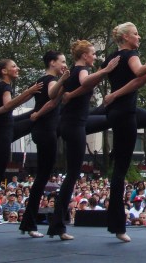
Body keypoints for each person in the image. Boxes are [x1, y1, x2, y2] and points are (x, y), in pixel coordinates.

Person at [100, 22, 146, 243]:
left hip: (117, 111)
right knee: (121, 169)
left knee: (119, 169)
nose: (139, 37)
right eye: (135, 34)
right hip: (125, 113)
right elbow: (139, 72)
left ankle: (116, 224)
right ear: (125, 38)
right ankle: (117, 225)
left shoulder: (112, 58)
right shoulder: (130, 55)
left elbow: (138, 80)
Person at [46, 40, 120, 240]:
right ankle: (58, 226)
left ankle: (57, 225)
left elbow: (56, 95)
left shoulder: (71, 72)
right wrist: (106, 70)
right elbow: (86, 81)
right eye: (93, 54)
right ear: (85, 56)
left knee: (71, 174)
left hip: (69, 123)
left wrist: (64, 84)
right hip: (75, 125)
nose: (95, 57)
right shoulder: (82, 70)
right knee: (72, 175)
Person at [0, 60, 41, 237]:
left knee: (34, 117)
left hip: (5, 128)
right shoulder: (4, 87)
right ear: (4, 71)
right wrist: (28, 92)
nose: (17, 68)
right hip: (2, 131)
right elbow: (8, 105)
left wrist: (30, 93)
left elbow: (9, 105)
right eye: (14, 66)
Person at [19, 51, 70, 238]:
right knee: (42, 177)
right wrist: (64, 79)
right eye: (62, 62)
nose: (65, 64)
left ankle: (28, 223)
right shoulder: (50, 80)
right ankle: (29, 223)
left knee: (42, 177)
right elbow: (52, 98)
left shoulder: (44, 80)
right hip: (46, 131)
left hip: (43, 130)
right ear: (52, 63)